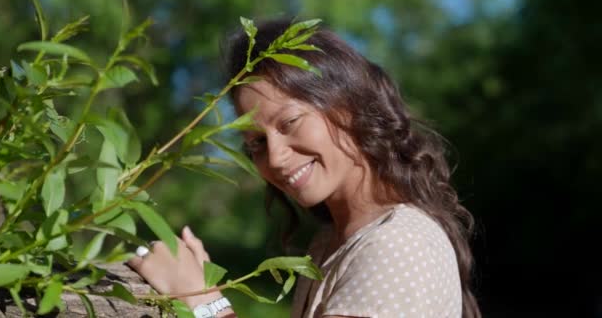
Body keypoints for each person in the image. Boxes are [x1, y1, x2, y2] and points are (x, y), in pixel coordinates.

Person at [128, 18, 481, 318]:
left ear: (347, 105)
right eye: (257, 144)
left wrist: (201, 300)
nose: (276, 157)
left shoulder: (400, 244)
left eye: (290, 122)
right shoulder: (329, 243)